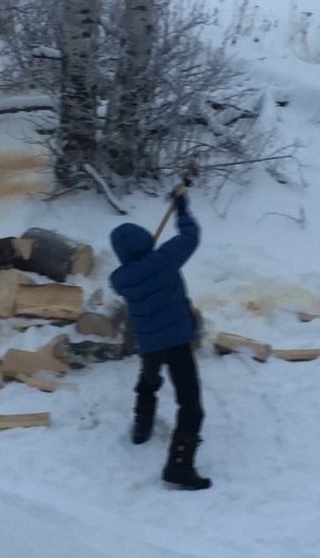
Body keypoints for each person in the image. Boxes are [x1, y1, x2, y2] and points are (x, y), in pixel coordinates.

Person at [109, 189, 211, 490]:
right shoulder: (164, 260)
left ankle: (142, 427)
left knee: (149, 379)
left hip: (150, 342)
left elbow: (133, 274)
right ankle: (179, 466)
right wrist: (182, 208)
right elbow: (191, 237)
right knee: (191, 404)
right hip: (178, 340)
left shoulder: (123, 280)